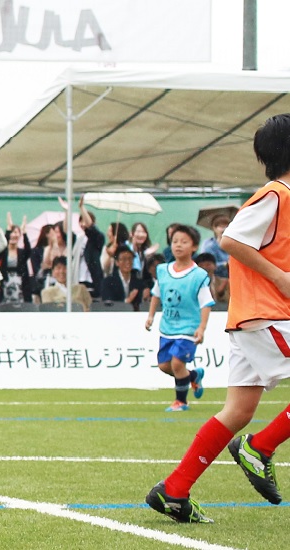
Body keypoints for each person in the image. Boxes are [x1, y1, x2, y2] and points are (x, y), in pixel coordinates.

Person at [145, 113, 290, 523]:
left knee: (238, 411)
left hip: (254, 319)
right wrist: (280, 277)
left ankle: (174, 491)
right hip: (270, 316)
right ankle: (258, 448)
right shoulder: (277, 194)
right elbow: (230, 239)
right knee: (244, 420)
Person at [144, 225, 213, 412]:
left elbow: (206, 303)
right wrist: (151, 316)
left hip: (188, 328)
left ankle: (181, 402)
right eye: (175, 241)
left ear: (194, 246)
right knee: (164, 365)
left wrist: (202, 327)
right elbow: (156, 294)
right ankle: (193, 376)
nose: (178, 245)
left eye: (184, 242)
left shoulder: (198, 276)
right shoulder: (163, 271)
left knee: (177, 363)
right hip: (168, 327)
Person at [0, 213, 33, 304]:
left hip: (20, 283)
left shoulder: (22, 252)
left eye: (16, 232)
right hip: (6, 282)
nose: (14, 235)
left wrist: (24, 233)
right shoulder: (3, 251)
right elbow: (3, 243)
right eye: (12, 232)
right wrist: (8, 229)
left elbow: (28, 250)